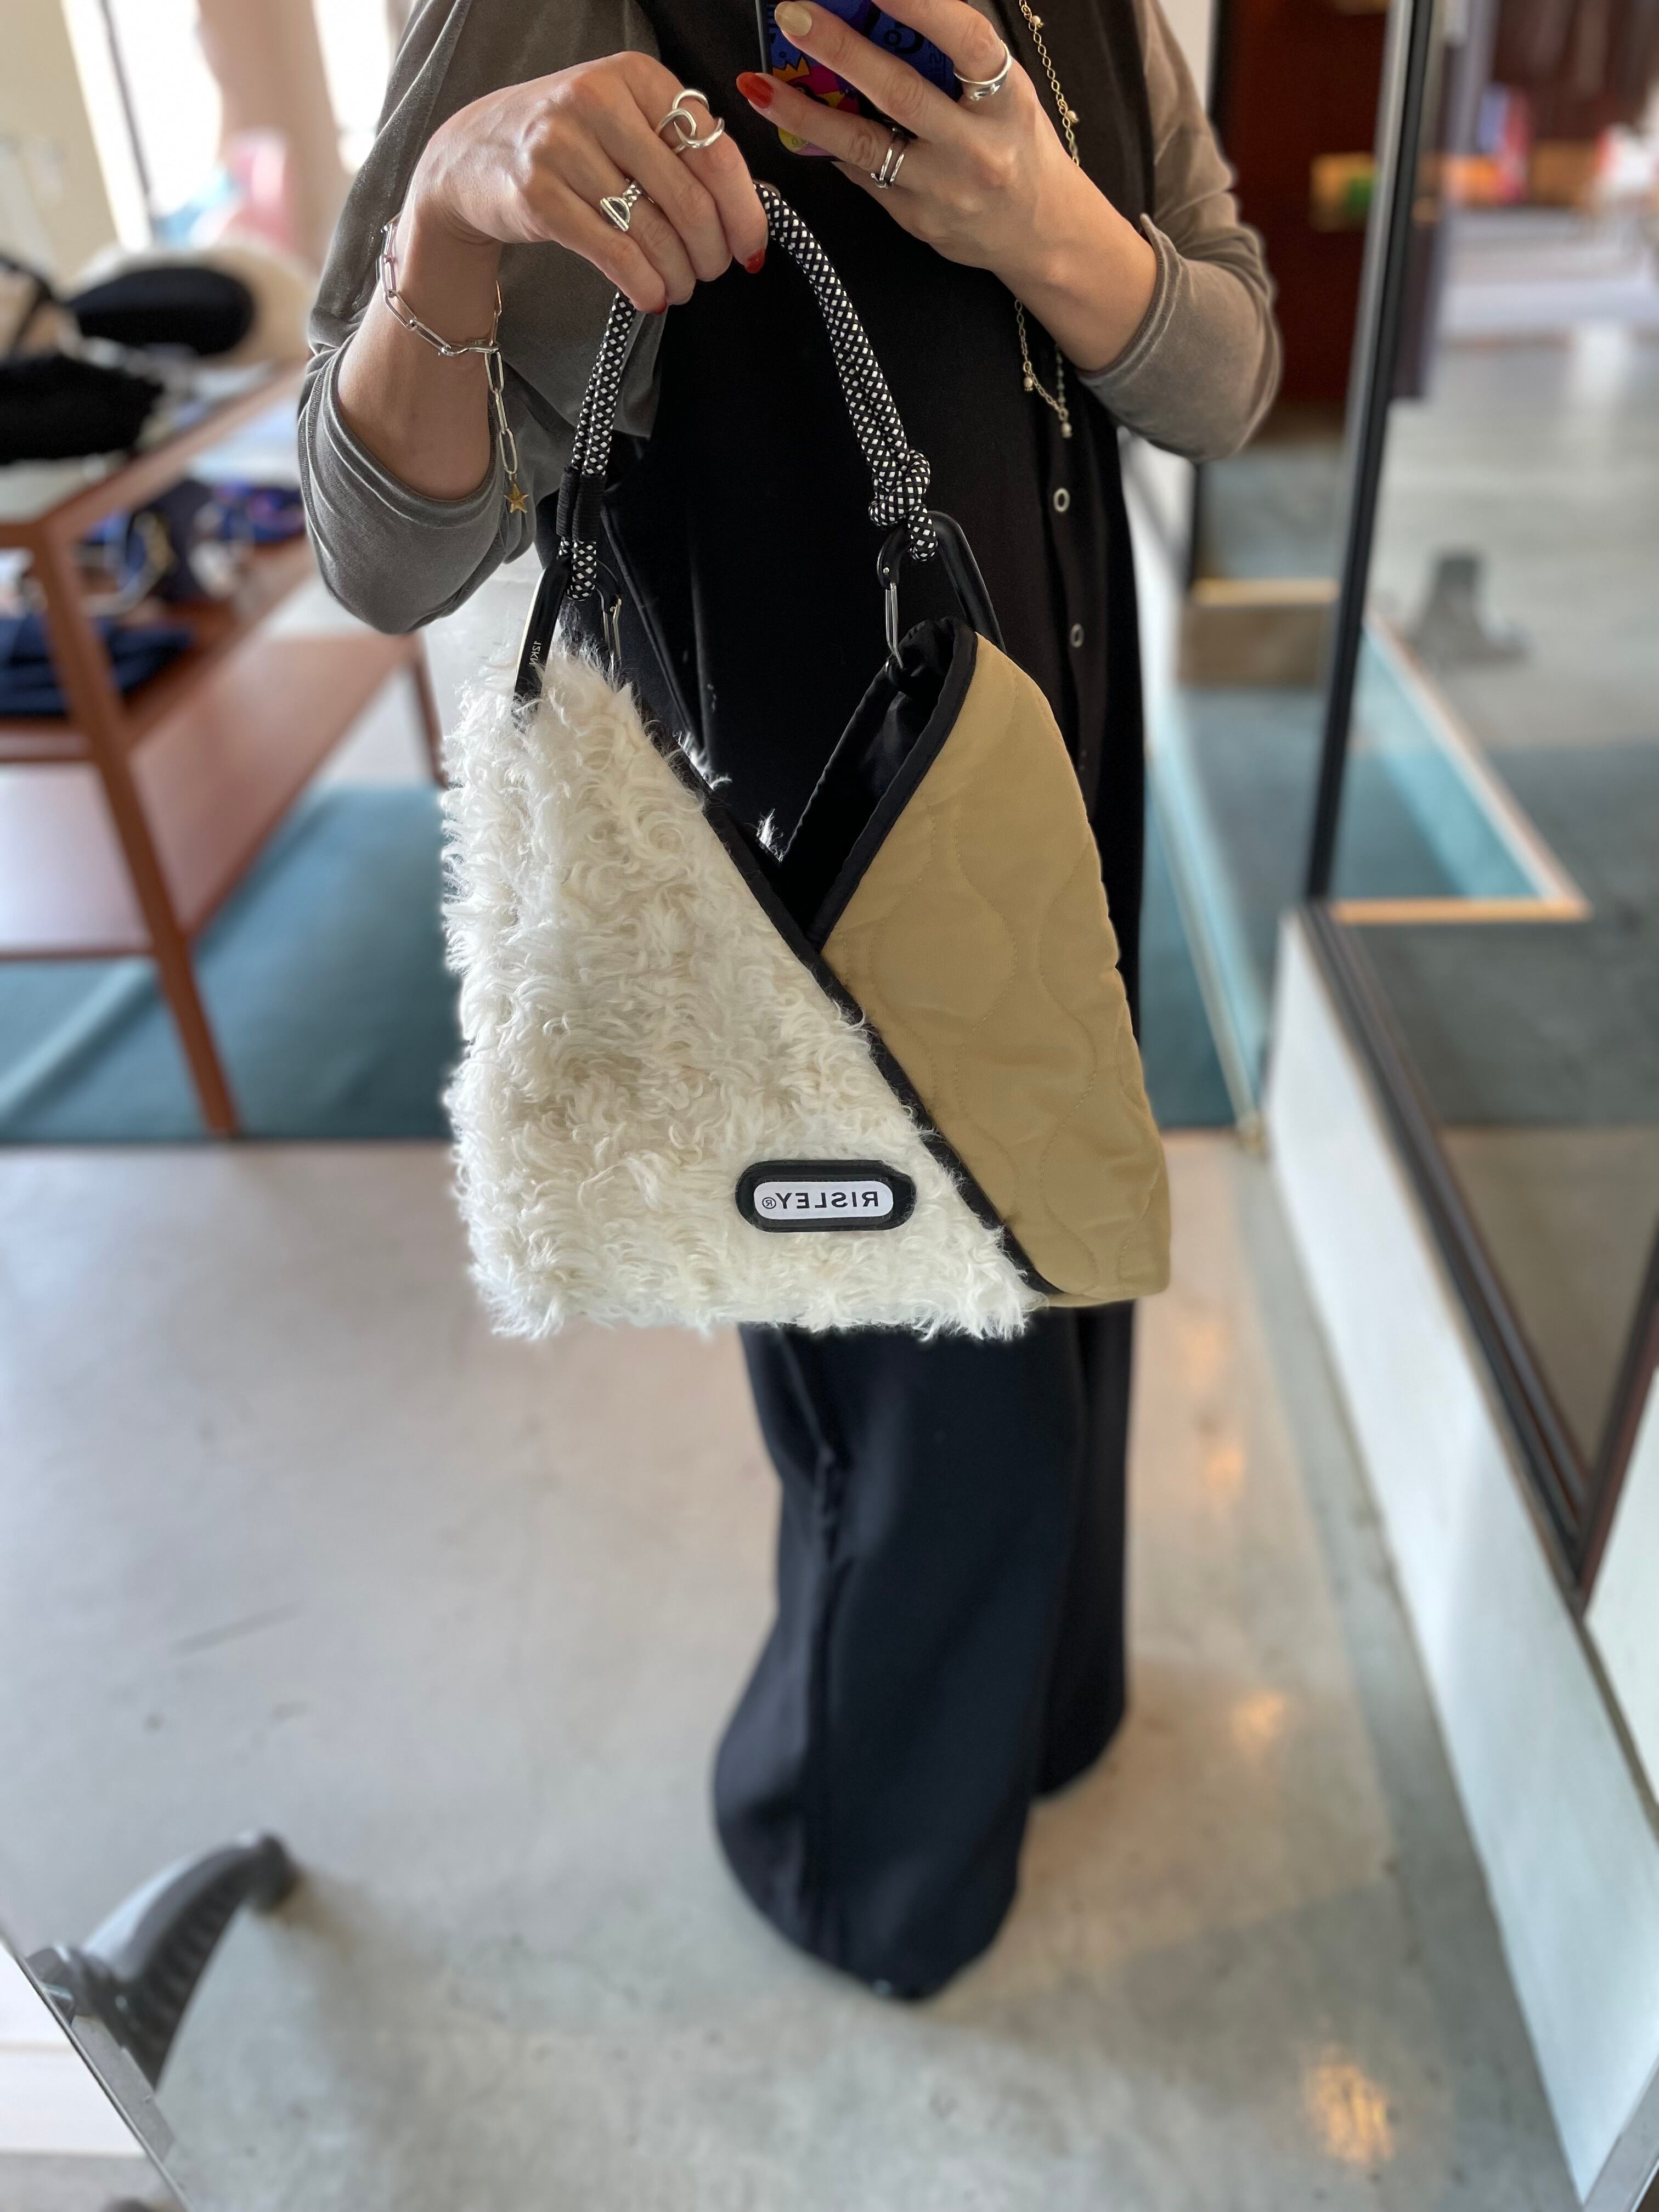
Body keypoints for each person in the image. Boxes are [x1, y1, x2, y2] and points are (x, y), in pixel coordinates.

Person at [300, 0, 1279, 2000]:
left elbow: (1233, 377)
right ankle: (858, 1864)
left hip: (1051, 756)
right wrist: (450, 221)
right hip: (803, 837)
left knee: (1070, 1263)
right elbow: (378, 555)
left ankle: (1047, 1711)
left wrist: (1042, 222)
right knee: (926, 1403)